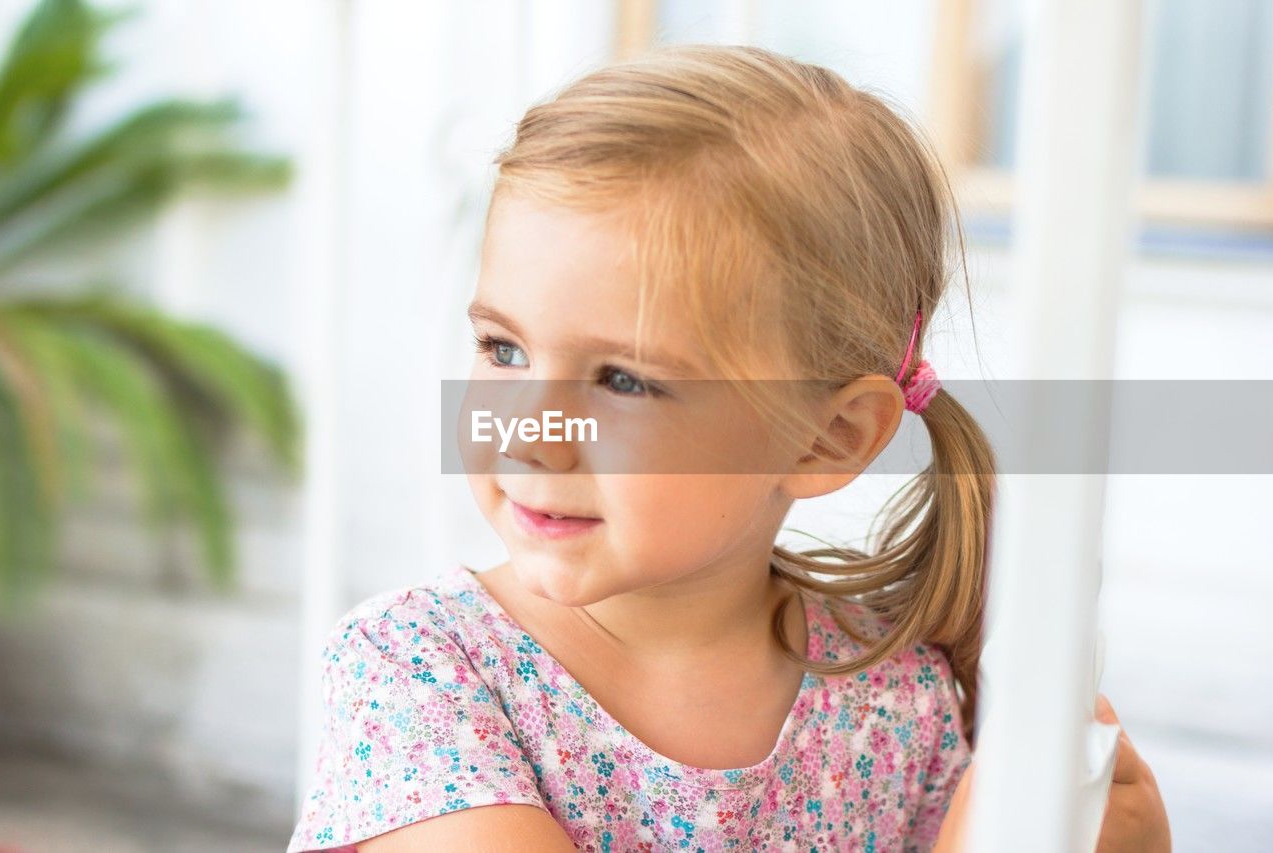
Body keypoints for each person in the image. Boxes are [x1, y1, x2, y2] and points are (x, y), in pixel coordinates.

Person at [286, 44, 1168, 852]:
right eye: (503, 349)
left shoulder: (899, 703)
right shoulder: (420, 669)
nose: (527, 432)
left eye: (624, 380)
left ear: (828, 436)